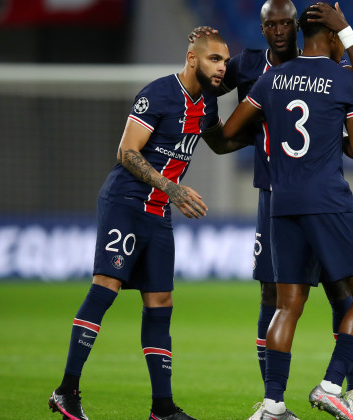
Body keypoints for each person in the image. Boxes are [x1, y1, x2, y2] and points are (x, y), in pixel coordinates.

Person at [196, 1, 353, 418]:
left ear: (297, 31)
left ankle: (273, 403)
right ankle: (336, 386)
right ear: (332, 38)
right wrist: (347, 31)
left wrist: (204, 101)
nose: (277, 30)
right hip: (328, 201)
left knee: (284, 304)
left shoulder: (271, 80)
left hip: (281, 201)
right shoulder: (343, 78)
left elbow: (225, 135)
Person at [47, 27, 230, 420]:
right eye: (215, 59)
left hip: (159, 211)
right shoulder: (157, 94)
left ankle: (162, 408)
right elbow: (127, 152)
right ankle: (67, 391)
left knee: (161, 301)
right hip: (126, 202)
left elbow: (222, 140)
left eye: (226, 62)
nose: (222, 68)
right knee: (106, 287)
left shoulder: (209, 106)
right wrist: (172, 187)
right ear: (192, 58)